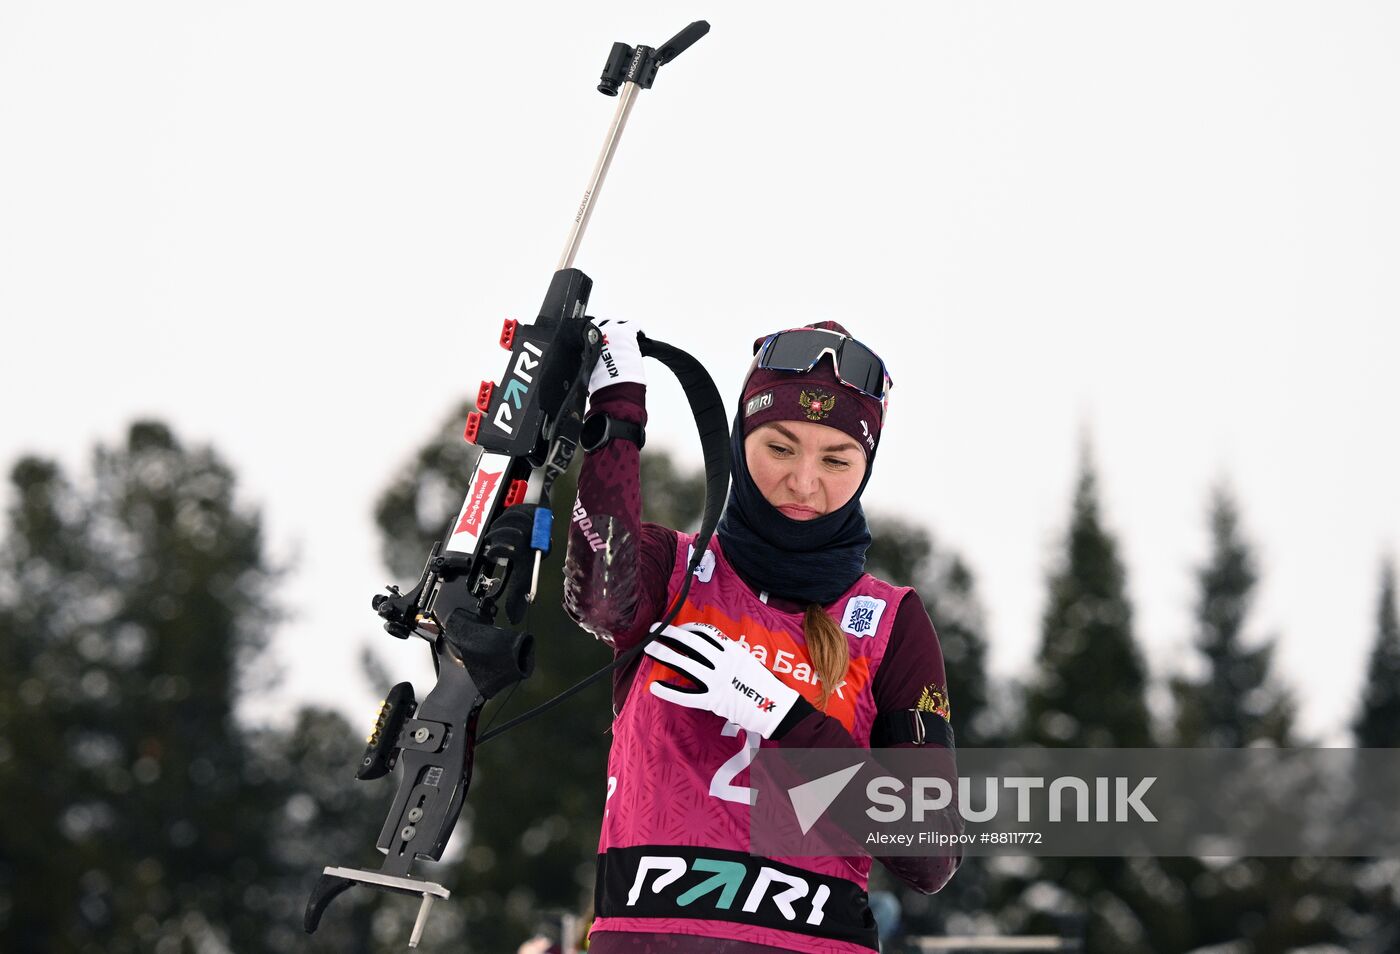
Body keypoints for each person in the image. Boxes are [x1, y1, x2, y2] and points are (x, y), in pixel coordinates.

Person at [564, 320, 961, 953]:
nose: (805, 482)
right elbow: (596, 598)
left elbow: (931, 850)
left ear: (867, 465)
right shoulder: (673, 569)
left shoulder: (890, 623)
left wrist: (783, 714)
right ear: (741, 439)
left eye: (836, 459)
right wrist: (616, 416)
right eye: (780, 448)